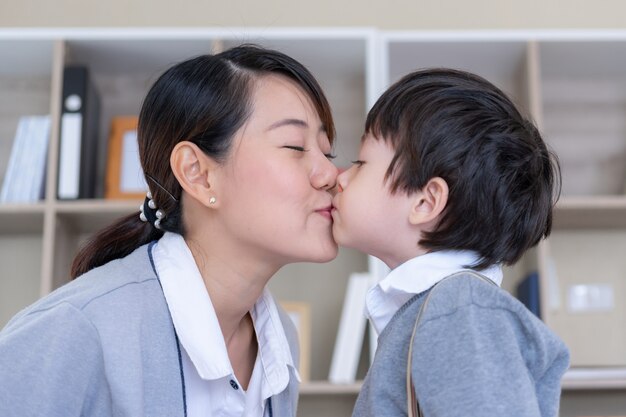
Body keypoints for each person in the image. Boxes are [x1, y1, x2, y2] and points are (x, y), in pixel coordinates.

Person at [0, 45, 338, 417]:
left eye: (328, 153)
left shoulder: (280, 338)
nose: (328, 174)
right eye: (295, 146)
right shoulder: (76, 330)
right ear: (198, 173)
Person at [332, 68, 570, 416]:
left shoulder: (461, 309)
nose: (340, 177)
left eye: (360, 163)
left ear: (425, 202)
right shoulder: (442, 308)